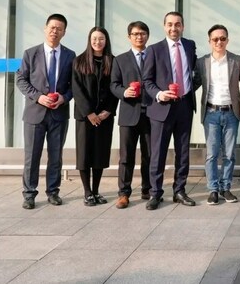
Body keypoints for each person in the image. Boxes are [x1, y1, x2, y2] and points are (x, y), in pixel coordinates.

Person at [16, 14, 76, 209]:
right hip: (35, 113)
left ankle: (53, 191)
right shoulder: (31, 53)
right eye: (52, 27)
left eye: (59, 29)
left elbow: (74, 85)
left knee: (55, 156)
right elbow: (21, 80)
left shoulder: (70, 55)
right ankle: (29, 194)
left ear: (64, 32)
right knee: (31, 156)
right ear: (45, 28)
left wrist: (64, 98)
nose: (55, 31)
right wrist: (38, 97)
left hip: (59, 113)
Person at [142, 11, 198, 210]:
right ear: (164, 26)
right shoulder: (154, 49)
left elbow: (194, 73)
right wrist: (159, 94)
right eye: (170, 24)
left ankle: (179, 190)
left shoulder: (189, 46)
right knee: (158, 152)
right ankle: (155, 193)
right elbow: (146, 81)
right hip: (161, 107)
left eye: (178, 24)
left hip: (184, 105)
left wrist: (189, 90)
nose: (174, 28)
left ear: (183, 26)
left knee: (183, 151)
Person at [194, 24, 240, 205]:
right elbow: (193, 84)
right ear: (209, 41)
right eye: (215, 39)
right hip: (211, 113)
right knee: (212, 154)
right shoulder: (202, 62)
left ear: (227, 40)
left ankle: (226, 188)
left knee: (229, 154)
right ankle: (213, 190)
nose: (219, 42)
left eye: (222, 38)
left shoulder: (236, 60)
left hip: (231, 113)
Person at [72, 27, 119, 206]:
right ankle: (87, 192)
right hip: (85, 117)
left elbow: (116, 87)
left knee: (100, 153)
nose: (97, 42)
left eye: (101, 39)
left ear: (106, 41)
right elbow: (77, 89)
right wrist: (89, 113)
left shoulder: (113, 61)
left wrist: (109, 110)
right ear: (89, 40)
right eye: (94, 39)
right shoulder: (79, 61)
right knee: (84, 154)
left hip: (104, 116)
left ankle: (96, 190)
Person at [110, 21, 152, 209]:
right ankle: (123, 193)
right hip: (129, 113)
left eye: (142, 33)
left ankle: (147, 189)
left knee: (149, 154)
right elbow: (113, 84)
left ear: (147, 36)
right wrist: (124, 92)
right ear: (129, 37)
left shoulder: (154, 56)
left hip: (151, 112)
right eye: (135, 34)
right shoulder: (120, 59)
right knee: (126, 156)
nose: (139, 37)